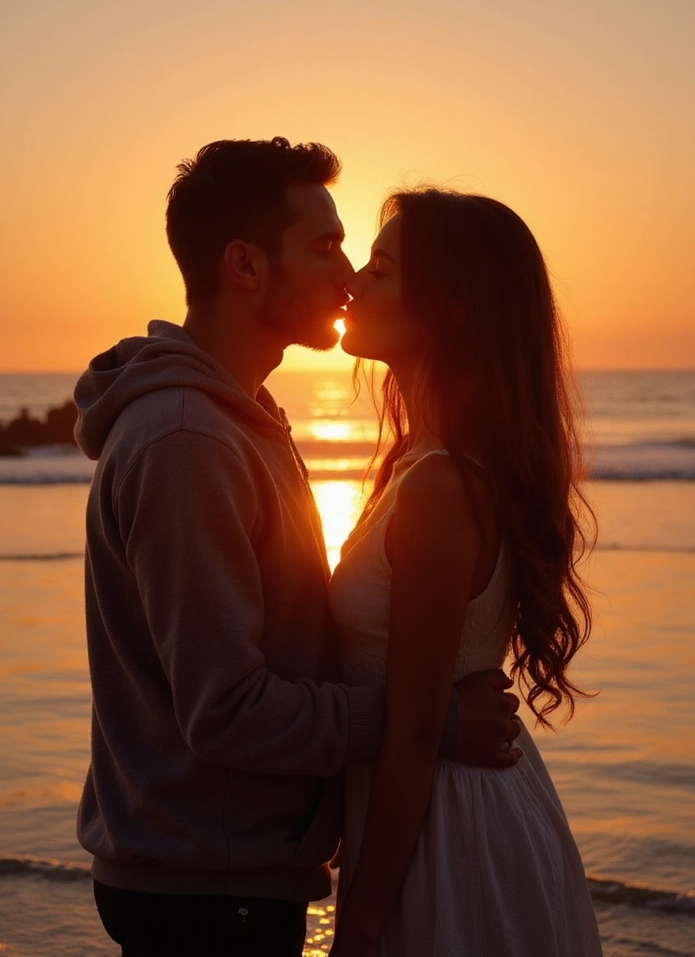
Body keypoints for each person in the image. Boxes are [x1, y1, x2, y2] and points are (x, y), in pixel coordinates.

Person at [73, 139, 522, 957]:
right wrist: (433, 719)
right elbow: (229, 711)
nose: (347, 274)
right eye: (324, 248)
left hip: (236, 871)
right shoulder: (188, 441)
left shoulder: (247, 417)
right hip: (206, 891)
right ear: (245, 266)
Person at [329, 188, 603, 956]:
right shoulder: (421, 465)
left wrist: (360, 925)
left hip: (451, 833)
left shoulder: (441, 485)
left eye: (381, 269)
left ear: (451, 308)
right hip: (434, 815)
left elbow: (418, 729)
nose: (353, 278)